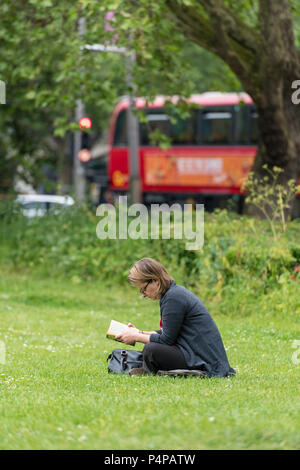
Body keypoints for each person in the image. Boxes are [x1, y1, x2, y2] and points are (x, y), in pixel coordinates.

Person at [116, 257, 236, 377]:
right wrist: (139, 332)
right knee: (151, 348)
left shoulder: (173, 298)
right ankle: (150, 369)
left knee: (151, 350)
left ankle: (154, 370)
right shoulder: (172, 294)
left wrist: (136, 337)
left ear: (156, 281)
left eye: (143, 289)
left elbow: (166, 339)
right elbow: (169, 332)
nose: (144, 295)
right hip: (192, 351)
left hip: (202, 359)